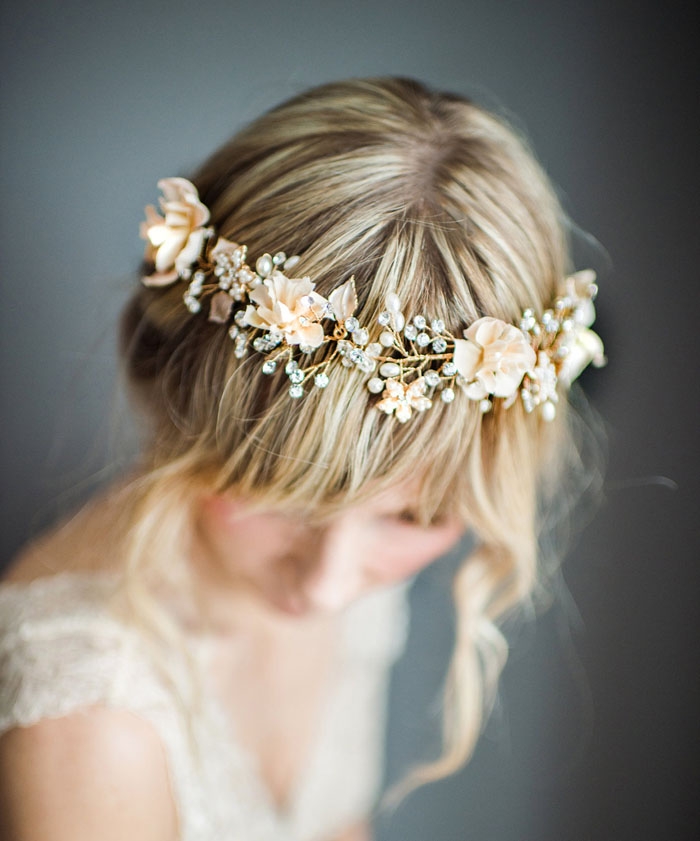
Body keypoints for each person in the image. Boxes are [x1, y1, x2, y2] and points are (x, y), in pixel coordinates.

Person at [0, 77, 605, 840]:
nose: (326, 586)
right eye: (285, 495)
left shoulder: (343, 578)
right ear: (183, 408)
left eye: (415, 516)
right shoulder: (88, 720)